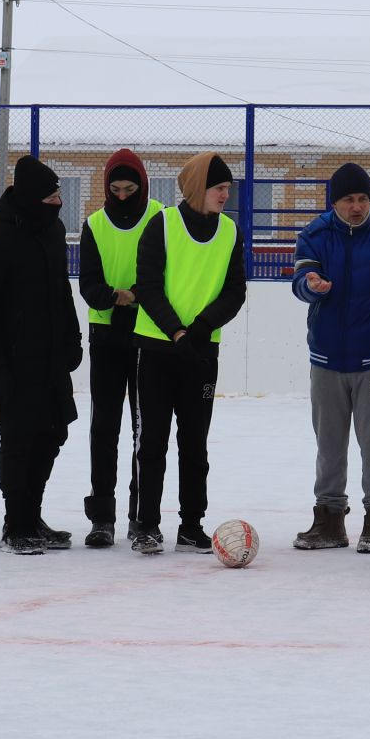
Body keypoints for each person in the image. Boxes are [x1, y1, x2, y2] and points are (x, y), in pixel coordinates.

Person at [130, 152, 247, 555]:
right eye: (219, 188)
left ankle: (191, 524)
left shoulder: (230, 232)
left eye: (227, 189)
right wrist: (176, 331)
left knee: (195, 442)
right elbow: (146, 285)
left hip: (199, 351)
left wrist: (197, 330)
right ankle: (145, 525)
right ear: (199, 188)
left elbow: (236, 291)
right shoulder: (161, 225)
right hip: (158, 348)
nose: (225, 195)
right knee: (153, 442)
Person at [0, 156, 83, 556]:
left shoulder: (50, 230)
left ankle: (32, 516)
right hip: (13, 362)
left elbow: (61, 290)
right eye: (51, 196)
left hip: (50, 356)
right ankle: (15, 525)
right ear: (33, 197)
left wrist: (72, 338)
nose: (57, 202)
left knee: (51, 434)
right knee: (19, 441)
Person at [289, 162, 370, 554]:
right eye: (349, 199)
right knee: (329, 443)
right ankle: (330, 519)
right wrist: (312, 286)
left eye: (363, 199)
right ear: (333, 201)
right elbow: (301, 280)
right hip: (327, 355)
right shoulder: (315, 235)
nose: (358, 207)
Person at [77, 148, 160, 549]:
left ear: (142, 185)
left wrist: (138, 295)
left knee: (144, 431)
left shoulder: (160, 218)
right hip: (106, 337)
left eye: (130, 189)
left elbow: (165, 274)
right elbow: (88, 284)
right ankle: (102, 517)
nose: (123, 196)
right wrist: (116, 297)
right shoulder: (93, 224)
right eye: (116, 189)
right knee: (103, 428)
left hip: (148, 337)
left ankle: (139, 514)